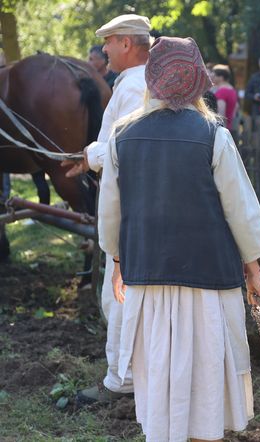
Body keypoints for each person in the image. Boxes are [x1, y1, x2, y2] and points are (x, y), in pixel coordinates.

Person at [98, 36, 260, 442]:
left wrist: (118, 264)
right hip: (208, 280)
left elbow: (111, 212)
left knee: (158, 369)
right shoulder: (213, 134)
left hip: (147, 278)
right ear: (196, 80)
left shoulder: (122, 136)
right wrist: (253, 270)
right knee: (206, 370)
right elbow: (241, 211)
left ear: (153, 79)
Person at [62, 13, 151, 405]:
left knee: (117, 293)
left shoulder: (133, 86)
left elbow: (125, 146)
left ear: (127, 45)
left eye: (109, 42)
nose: (104, 50)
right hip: (133, 200)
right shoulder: (135, 82)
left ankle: (123, 381)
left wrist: (92, 154)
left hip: (131, 203)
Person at [212, 64, 238, 129]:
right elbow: (236, 108)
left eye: (214, 75)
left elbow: (221, 114)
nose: (212, 77)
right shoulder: (232, 90)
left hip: (222, 128)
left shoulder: (222, 92)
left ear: (221, 77)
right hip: (229, 127)